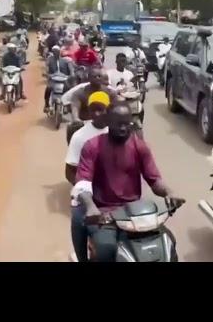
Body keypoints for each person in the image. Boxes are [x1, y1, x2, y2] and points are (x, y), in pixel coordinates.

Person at [70, 102, 184, 262]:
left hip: (135, 213)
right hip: (104, 214)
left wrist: (169, 193)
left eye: (126, 123)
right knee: (105, 249)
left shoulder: (139, 146)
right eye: (118, 124)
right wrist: (91, 207)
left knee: (167, 241)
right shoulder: (92, 146)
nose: (123, 128)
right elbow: (83, 183)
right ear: (108, 121)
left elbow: (155, 180)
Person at [65, 92, 111, 262]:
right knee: (79, 218)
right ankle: (81, 257)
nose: (98, 114)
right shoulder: (79, 137)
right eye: (94, 110)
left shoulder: (116, 131)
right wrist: (85, 189)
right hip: (87, 194)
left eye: (102, 109)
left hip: (115, 193)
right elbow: (70, 171)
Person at [44, 45, 75, 112]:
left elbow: (71, 71)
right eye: (54, 51)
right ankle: (46, 104)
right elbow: (46, 69)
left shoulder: (65, 60)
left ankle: (67, 105)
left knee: (69, 90)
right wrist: (47, 75)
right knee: (48, 89)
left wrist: (71, 75)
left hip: (64, 80)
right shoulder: (50, 60)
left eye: (57, 51)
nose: (56, 53)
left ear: (59, 52)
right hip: (53, 79)